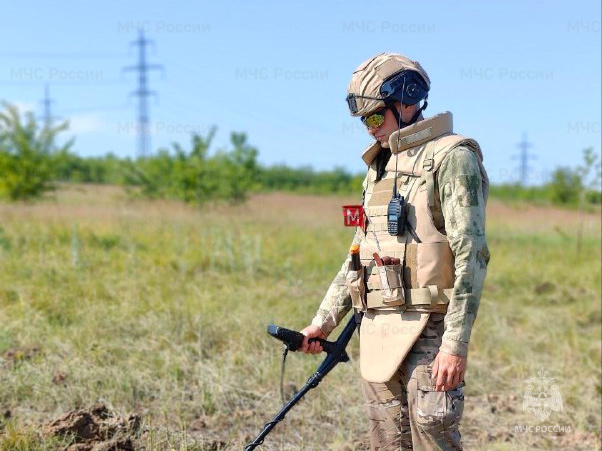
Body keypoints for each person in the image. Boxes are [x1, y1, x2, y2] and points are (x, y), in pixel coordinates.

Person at [300, 53, 490, 451]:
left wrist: (455, 346)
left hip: (429, 333)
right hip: (378, 330)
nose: (369, 130)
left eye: (374, 118)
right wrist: (323, 321)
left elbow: (472, 253)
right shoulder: (380, 167)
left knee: (433, 439)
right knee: (386, 443)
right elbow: (359, 253)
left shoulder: (453, 157)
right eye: (364, 122)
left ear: (407, 101)